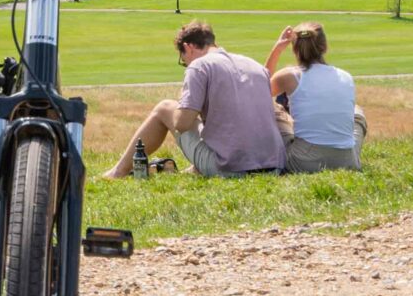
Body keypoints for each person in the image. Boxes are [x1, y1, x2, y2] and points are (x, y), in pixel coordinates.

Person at [104, 20, 284, 180]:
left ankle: (117, 172)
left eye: (184, 60)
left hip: (232, 168)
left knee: (165, 108)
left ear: (188, 47)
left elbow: (182, 124)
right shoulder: (253, 64)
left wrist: (186, 104)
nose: (187, 64)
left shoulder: (200, 66)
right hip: (273, 165)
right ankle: (196, 168)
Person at [267, 22, 365, 172]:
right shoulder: (346, 76)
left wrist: (277, 49)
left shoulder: (289, 75)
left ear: (294, 49)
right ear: (324, 47)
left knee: (272, 107)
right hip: (347, 161)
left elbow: (259, 91)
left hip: (304, 162)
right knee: (357, 112)